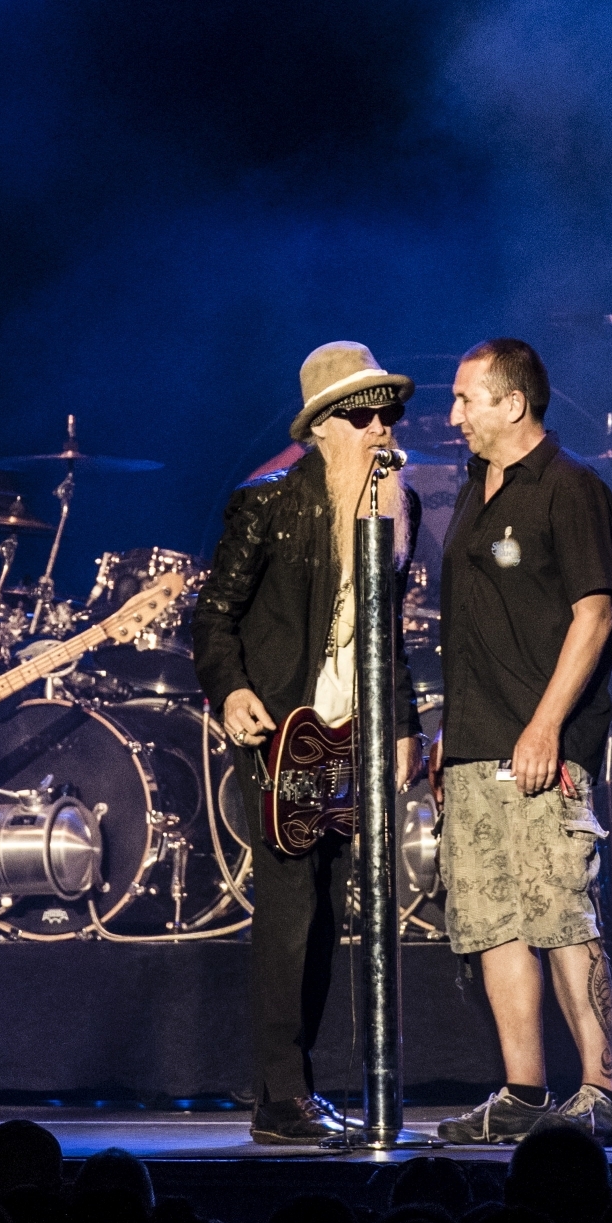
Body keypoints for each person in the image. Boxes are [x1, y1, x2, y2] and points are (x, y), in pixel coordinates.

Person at [192, 340, 425, 1144]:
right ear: (324, 426)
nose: (383, 429)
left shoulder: (402, 506)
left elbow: (388, 635)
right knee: (291, 906)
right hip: (284, 729)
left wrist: (403, 726)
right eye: (365, 415)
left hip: (355, 735)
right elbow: (213, 617)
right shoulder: (265, 503)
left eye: (391, 412)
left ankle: (296, 1090)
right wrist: (233, 691)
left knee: (329, 908)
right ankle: (279, 1096)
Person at [429, 338, 612, 1146]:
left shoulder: (572, 489)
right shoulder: (476, 490)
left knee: (560, 916)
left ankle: (602, 1090)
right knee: (494, 920)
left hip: (545, 744)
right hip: (477, 743)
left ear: (513, 402)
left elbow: (595, 612)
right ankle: (521, 1091)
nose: (453, 415)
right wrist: (450, 731)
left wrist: (544, 724)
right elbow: (474, 629)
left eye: (466, 398)